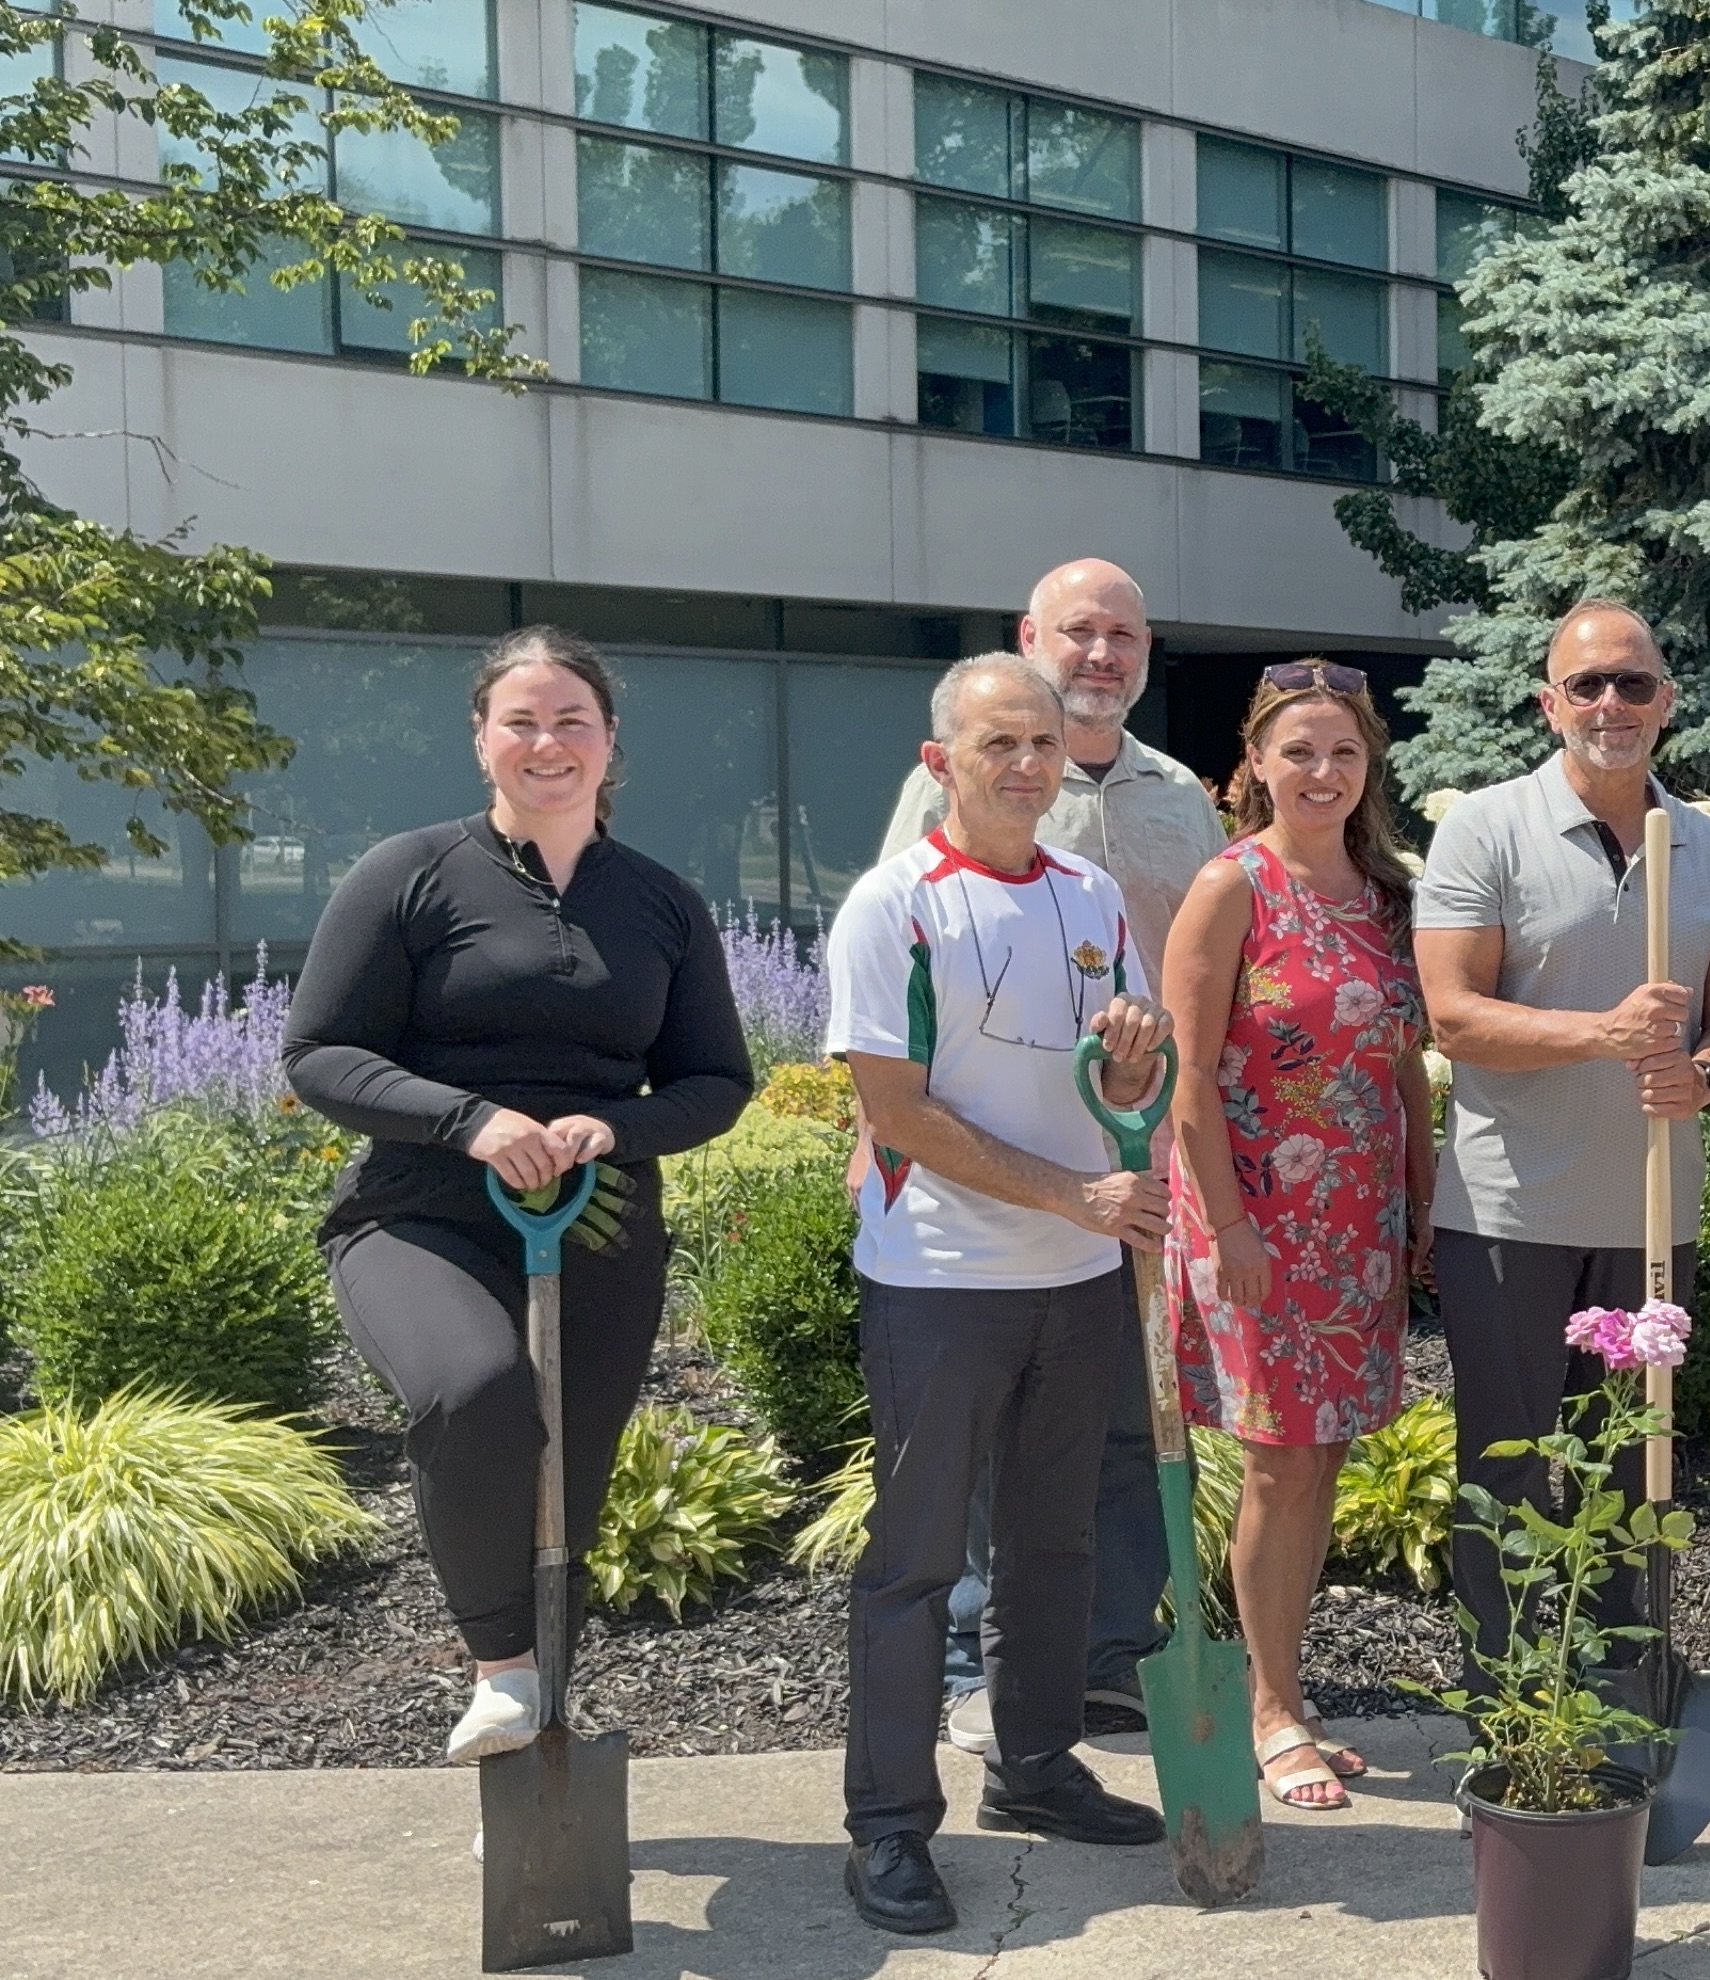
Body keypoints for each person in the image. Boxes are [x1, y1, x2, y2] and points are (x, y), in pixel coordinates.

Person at [285, 627, 752, 1769]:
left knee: (568, 1476)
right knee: (475, 1390)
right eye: (522, 721)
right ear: (482, 739)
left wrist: (613, 1125)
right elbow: (320, 1054)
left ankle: (542, 1730)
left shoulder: (662, 904)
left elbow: (716, 1080)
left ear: (609, 742)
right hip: (422, 1207)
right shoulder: (409, 874)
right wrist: (471, 1120)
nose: (548, 743)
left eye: (571, 721)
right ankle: (498, 1668)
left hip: (594, 1216)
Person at [825, 654, 1174, 1934]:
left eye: (1040, 743)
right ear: (942, 765)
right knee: (917, 1563)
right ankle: (886, 1828)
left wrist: (1137, 1080)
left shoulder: (1088, 893)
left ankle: (1031, 1770)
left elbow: (1120, 1079)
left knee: (1054, 1540)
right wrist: (1071, 1198)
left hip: (1075, 1278)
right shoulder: (893, 905)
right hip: (942, 1277)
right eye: (996, 746)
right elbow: (897, 1109)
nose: (1026, 765)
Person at [877, 557, 1225, 1755]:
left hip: (1137, 1155)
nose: (1101, 654)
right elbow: (897, 983)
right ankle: (986, 1661)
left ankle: (1107, 1651)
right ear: (1032, 637)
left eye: (1123, 634)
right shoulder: (950, 786)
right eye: (1077, 631)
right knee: (988, 1431)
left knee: (1129, 1412)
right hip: (981, 1171)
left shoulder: (1179, 796)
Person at [1411, 600, 1710, 1692]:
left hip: (1650, 1215)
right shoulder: (1485, 828)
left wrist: (1702, 1074)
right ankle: (1511, 1700)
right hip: (1509, 1216)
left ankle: (1622, 1691)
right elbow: (1453, 1017)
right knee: (1507, 1473)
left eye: (1633, 684)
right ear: (1548, 702)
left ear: (1665, 702)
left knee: (1635, 1469)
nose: (1610, 704)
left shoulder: (1706, 849)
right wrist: (1602, 1036)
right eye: (1587, 686)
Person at [1161, 662, 1433, 1811]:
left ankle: (1291, 1689)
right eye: (1298, 752)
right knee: (1278, 1460)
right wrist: (1227, 1224)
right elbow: (1182, 1075)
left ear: (1368, 766)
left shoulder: (1386, 892)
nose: (1322, 773)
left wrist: (1422, 1197)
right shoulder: (1232, 886)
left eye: (1343, 753)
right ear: (1256, 763)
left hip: (1359, 1222)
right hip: (1257, 1217)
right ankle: (1272, 1710)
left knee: (1321, 1461)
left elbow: (1408, 1060)